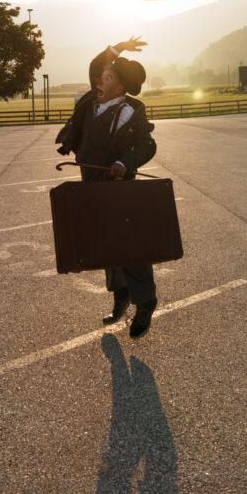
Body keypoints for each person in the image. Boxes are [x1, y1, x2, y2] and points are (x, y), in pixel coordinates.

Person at [55, 36, 158, 339]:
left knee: (128, 243)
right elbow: (94, 65)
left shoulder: (130, 112)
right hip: (91, 182)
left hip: (118, 185)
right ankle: (121, 295)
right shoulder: (93, 100)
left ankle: (146, 301)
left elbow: (146, 145)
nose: (100, 79)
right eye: (102, 76)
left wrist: (125, 164)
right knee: (105, 243)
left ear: (120, 86)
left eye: (108, 77)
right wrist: (119, 48)